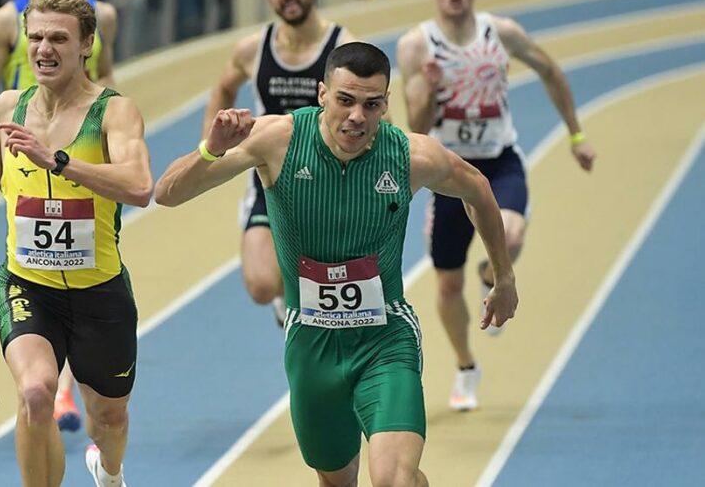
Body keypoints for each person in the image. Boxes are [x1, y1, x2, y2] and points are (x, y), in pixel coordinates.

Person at [155, 42, 520, 487]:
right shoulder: (278, 140)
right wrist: (210, 150)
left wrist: (503, 275)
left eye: (372, 104)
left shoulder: (410, 156)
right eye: (345, 100)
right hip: (312, 346)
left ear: (386, 104)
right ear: (322, 93)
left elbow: (478, 189)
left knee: (393, 480)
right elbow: (167, 193)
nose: (357, 117)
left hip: (385, 338)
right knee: (336, 481)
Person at [0, 0, 151, 487]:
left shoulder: (114, 111)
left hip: (99, 290)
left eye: (58, 38)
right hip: (27, 284)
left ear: (87, 45)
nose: (44, 49)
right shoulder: (11, 104)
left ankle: (109, 470)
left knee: (110, 420)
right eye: (35, 37)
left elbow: (140, 187)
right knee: (36, 394)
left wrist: (56, 159)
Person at [395, 0, 593, 411]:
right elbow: (416, 126)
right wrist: (430, 87)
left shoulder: (500, 33)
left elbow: (549, 69)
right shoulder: (415, 46)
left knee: (511, 231)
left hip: (500, 161)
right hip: (447, 170)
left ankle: (493, 275)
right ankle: (467, 367)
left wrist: (576, 133)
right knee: (446, 286)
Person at [0, 0, 120, 433]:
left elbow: (111, 80)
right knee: (34, 262)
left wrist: (109, 127)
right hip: (21, 148)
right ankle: (55, 391)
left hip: (80, 153)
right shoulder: (6, 20)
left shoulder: (103, 17)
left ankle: (69, 389)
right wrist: (7, 123)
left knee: (84, 265)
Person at [201, 0, 356, 328]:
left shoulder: (344, 47)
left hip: (330, 181)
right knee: (260, 285)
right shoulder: (253, 49)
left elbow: (372, 109)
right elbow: (223, 88)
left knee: (330, 292)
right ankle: (285, 303)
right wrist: (211, 143)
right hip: (270, 179)